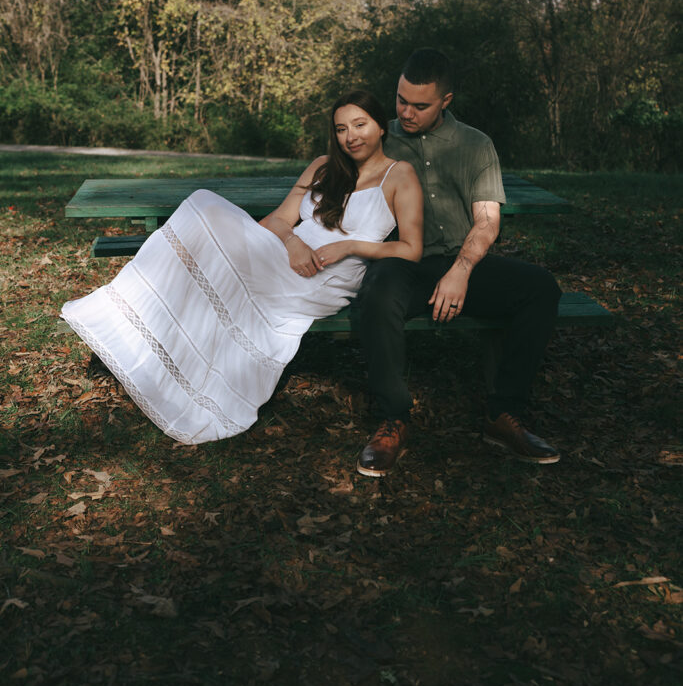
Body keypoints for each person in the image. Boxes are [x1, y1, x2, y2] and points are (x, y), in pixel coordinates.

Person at [61, 90, 423, 445]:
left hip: (326, 276)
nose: (350, 136)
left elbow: (411, 248)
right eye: (341, 128)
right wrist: (293, 242)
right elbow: (277, 221)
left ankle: (148, 339)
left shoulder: (399, 175)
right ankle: (129, 327)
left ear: (381, 127)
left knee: (205, 215)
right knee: (203, 207)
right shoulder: (324, 167)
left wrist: (349, 245)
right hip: (284, 254)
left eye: (360, 125)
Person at [354, 49, 562, 477]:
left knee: (540, 289)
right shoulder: (379, 140)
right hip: (402, 262)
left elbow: (487, 221)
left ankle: (503, 414)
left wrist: (461, 272)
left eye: (420, 104)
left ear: (446, 101)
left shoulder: (476, 144)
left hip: (460, 262)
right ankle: (394, 419)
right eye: (400, 100)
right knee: (376, 293)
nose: (406, 112)